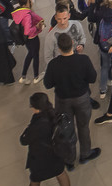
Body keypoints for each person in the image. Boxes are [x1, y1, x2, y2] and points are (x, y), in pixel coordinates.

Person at [9, 92, 75, 186]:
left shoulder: (39, 124)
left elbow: (24, 140)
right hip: (56, 153)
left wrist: (27, 130)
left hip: (41, 157)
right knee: (61, 174)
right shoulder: (53, 113)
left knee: (35, 180)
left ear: (36, 107)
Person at [42, 31, 98, 161]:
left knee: (66, 129)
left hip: (62, 100)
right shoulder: (83, 60)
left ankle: (69, 158)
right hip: (82, 98)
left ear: (59, 48)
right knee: (83, 126)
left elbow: (47, 84)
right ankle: (85, 154)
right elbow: (93, 78)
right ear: (72, 43)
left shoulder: (53, 64)